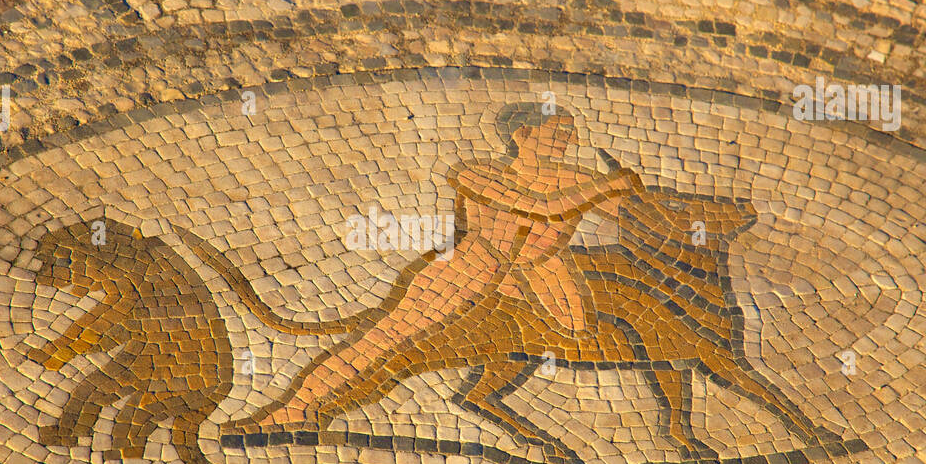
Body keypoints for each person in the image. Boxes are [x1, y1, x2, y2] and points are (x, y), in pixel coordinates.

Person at [241, 102, 643, 430]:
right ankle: (295, 408)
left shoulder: (577, 178)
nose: (569, 140)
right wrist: (606, 187)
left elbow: (638, 216)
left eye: (569, 133)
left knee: (579, 328)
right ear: (523, 135)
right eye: (558, 131)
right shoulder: (479, 173)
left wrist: (634, 197)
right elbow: (539, 207)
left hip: (542, 272)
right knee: (384, 339)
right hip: (470, 269)